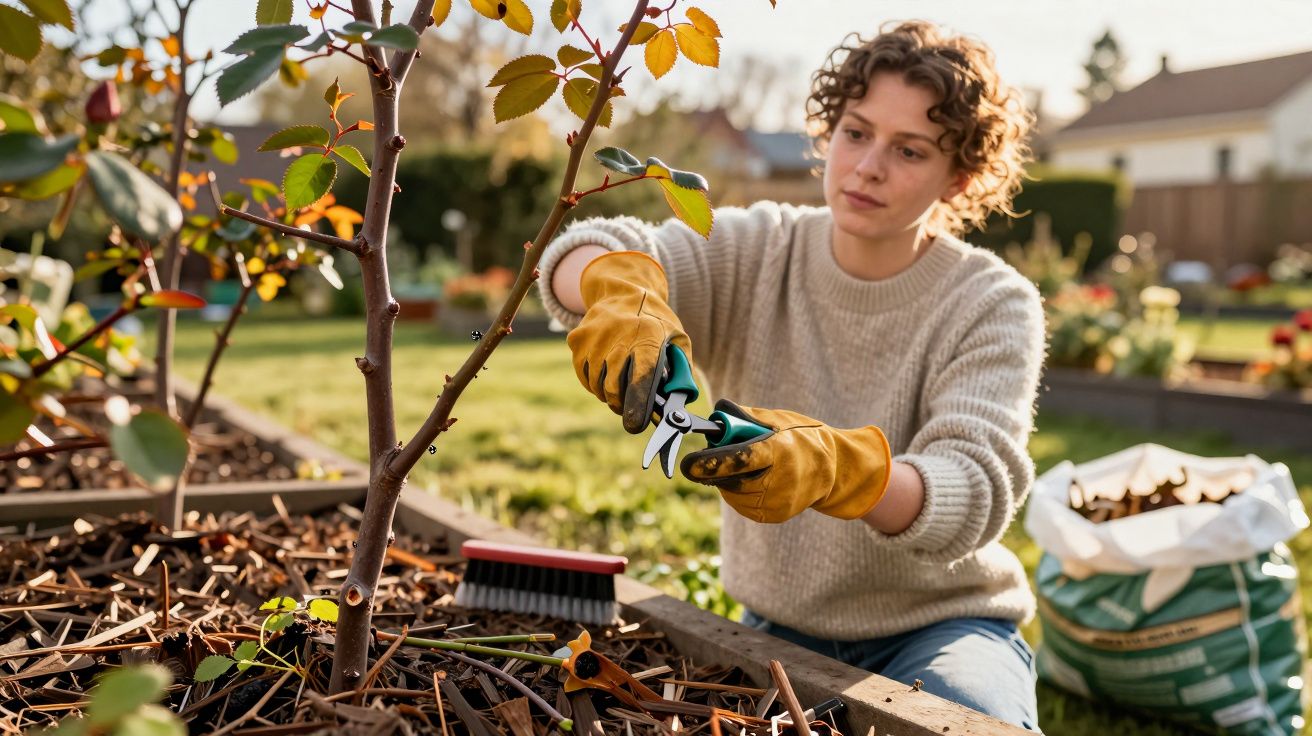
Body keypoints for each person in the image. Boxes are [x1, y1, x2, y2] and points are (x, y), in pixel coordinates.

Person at [536, 19, 1046, 732]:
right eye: (856, 132)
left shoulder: (991, 302)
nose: (868, 166)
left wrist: (845, 470)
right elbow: (586, 250)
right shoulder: (758, 249)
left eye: (909, 150)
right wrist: (621, 288)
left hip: (943, 626)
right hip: (775, 628)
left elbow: (975, 489)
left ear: (957, 176)